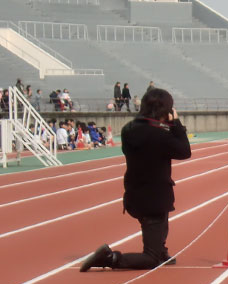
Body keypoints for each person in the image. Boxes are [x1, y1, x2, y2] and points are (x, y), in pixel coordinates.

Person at [80, 88, 191, 272]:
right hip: (155, 198)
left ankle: (160, 251)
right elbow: (184, 151)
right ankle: (110, 258)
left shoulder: (129, 129)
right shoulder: (160, 134)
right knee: (151, 257)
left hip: (134, 194)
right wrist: (176, 123)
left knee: (159, 224)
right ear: (165, 111)